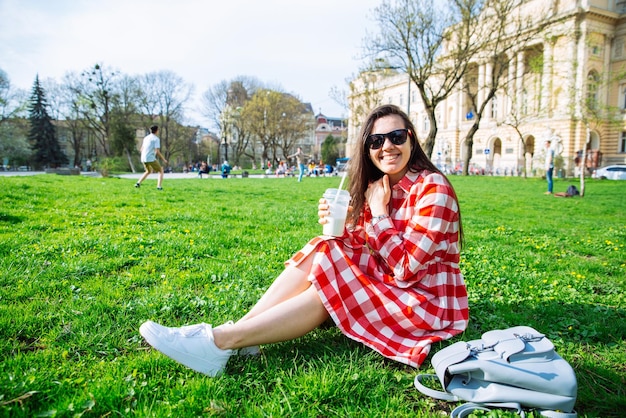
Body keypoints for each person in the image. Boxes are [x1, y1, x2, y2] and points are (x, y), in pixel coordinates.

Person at [139, 104, 469, 377]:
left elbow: (406, 269)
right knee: (329, 247)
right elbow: (361, 248)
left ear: (411, 138)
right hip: (392, 284)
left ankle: (221, 340)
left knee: (332, 281)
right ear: (366, 149)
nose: (387, 147)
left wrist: (379, 212)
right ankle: (245, 335)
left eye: (396, 137)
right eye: (376, 141)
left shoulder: (432, 188)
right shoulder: (379, 187)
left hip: (424, 302)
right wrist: (339, 224)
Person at [135, 125, 167, 190]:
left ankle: (138, 183)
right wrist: (164, 159)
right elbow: (157, 151)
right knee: (161, 171)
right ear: (157, 131)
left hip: (143, 157)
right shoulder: (156, 139)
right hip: (150, 158)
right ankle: (159, 186)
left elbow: (141, 149)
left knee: (148, 171)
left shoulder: (146, 138)